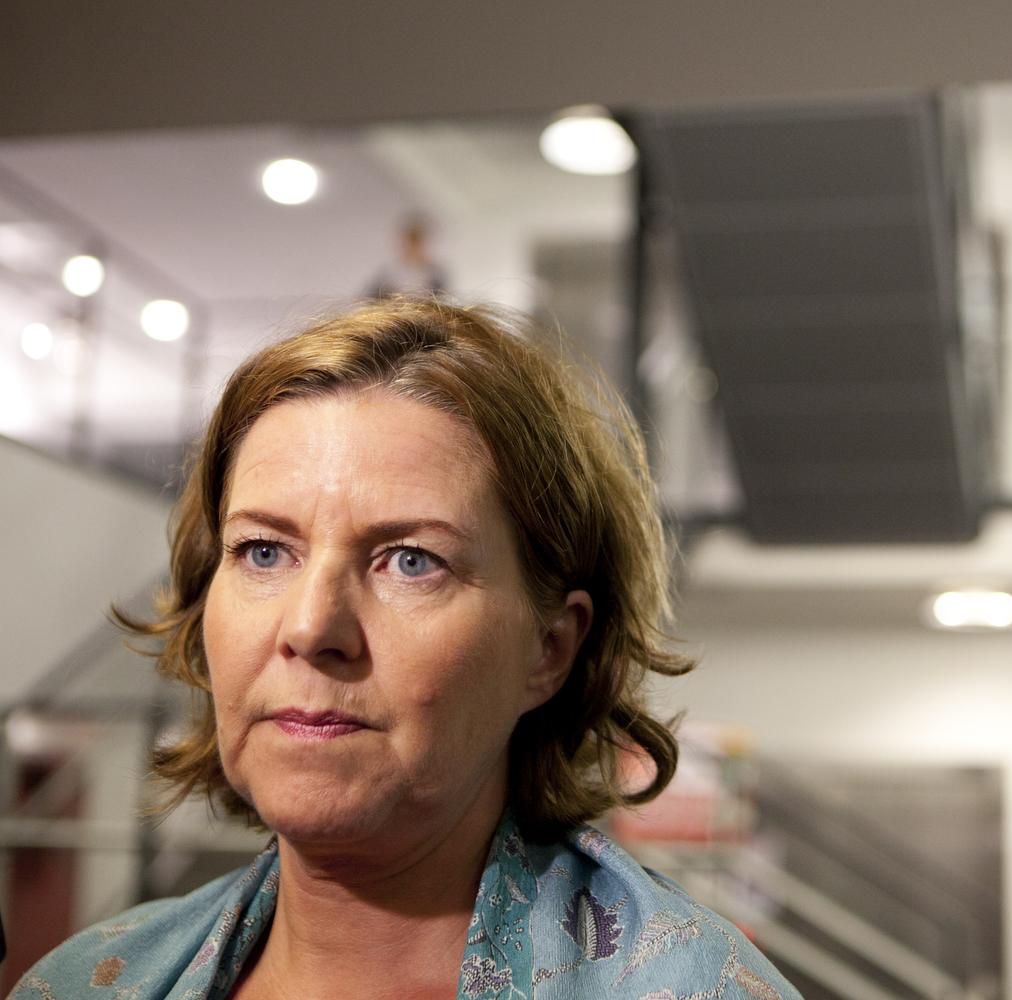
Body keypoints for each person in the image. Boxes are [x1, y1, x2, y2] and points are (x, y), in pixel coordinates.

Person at [10, 298, 799, 1000]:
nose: (310, 628)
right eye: (263, 551)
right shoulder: (84, 982)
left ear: (550, 649)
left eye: (411, 562)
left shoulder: (692, 989)